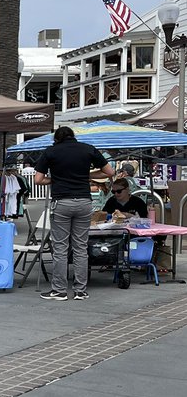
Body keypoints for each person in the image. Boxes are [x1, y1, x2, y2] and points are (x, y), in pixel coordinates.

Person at [34, 126, 113, 301]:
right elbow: (110, 172)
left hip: (62, 202)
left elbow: (38, 179)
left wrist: (56, 178)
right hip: (84, 202)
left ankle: (60, 290)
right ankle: (80, 290)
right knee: (80, 247)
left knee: (61, 248)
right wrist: (87, 175)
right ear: (73, 136)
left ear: (56, 138)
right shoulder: (87, 148)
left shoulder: (51, 151)